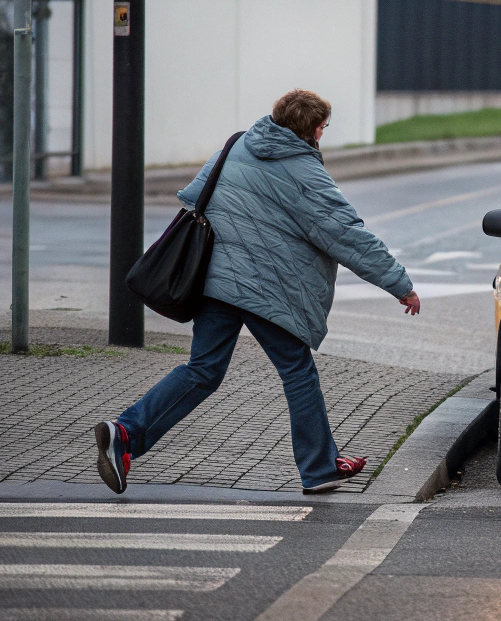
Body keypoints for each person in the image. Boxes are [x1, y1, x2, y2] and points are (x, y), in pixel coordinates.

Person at [94, 89, 420, 495]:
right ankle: (318, 468)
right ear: (315, 130)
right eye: (324, 126)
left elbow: (195, 196)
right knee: (297, 371)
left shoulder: (236, 145)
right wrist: (399, 284)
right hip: (269, 290)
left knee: (202, 370)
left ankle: (126, 432)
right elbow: (345, 233)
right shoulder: (305, 171)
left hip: (215, 283)